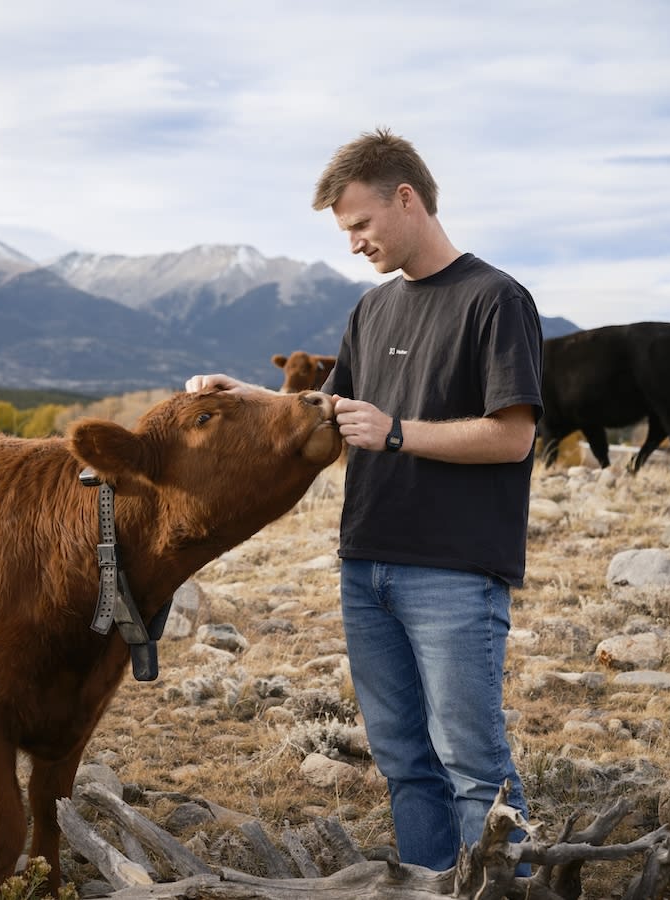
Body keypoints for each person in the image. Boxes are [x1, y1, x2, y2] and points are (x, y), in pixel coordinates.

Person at [185, 127, 543, 871]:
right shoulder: (371, 309)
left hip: (453, 573)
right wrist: (245, 396)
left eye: (360, 224)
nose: (353, 243)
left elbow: (513, 437)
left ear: (406, 198)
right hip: (366, 567)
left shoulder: (496, 300)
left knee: (475, 767)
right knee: (405, 763)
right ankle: (428, 887)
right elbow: (327, 410)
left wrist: (397, 433)